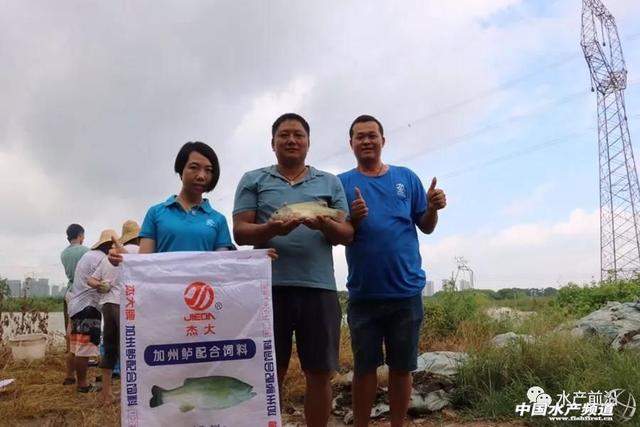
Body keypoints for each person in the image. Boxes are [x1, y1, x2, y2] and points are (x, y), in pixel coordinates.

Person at [233, 113, 354, 427]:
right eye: (284, 135)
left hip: (320, 288)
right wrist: (272, 230)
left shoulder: (329, 182)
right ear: (272, 143)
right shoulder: (253, 179)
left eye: (298, 135)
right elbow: (240, 232)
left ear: (308, 142)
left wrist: (326, 223)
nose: (291, 140)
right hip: (267, 288)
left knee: (319, 371)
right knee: (269, 368)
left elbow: (346, 234)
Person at [338, 115, 447, 427]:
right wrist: (354, 218)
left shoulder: (406, 178)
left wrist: (433, 208)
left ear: (383, 141)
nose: (367, 141)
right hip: (363, 293)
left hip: (406, 293)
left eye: (372, 135)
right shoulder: (342, 183)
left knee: (401, 369)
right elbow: (337, 233)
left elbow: (425, 226)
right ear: (351, 144)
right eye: (360, 136)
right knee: (364, 369)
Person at [89, 220, 140, 406]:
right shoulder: (138, 253)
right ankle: (130, 392)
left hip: (107, 306)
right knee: (130, 349)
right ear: (138, 236)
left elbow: (91, 280)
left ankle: (106, 394)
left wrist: (102, 286)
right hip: (126, 306)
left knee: (110, 349)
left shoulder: (107, 256)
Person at [68, 229, 119, 393]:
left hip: (77, 305)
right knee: (84, 347)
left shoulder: (88, 256)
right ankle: (82, 385)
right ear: (107, 245)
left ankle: (78, 381)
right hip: (88, 307)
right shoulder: (101, 259)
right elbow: (105, 283)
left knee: (77, 346)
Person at [60, 224, 89, 385]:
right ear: (80, 235)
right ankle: (82, 380)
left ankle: (69, 375)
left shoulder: (63, 253)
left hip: (68, 293)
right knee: (83, 337)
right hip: (82, 294)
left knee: (70, 335)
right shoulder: (86, 251)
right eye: (83, 235)